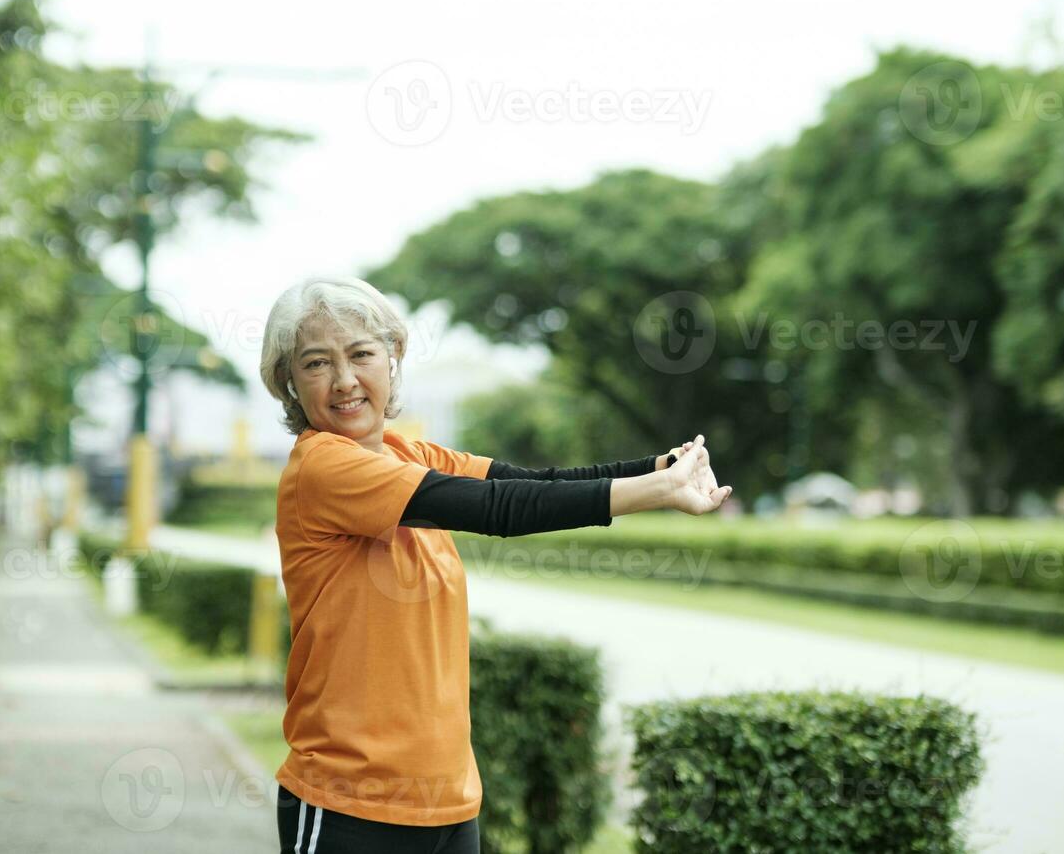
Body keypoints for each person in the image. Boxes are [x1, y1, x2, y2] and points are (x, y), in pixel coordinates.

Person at [258, 275, 731, 854]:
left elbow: (532, 482)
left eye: (361, 354)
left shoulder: (408, 454)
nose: (345, 381)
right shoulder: (323, 468)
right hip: (348, 804)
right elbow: (498, 509)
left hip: (449, 803)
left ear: (393, 357)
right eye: (316, 363)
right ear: (289, 382)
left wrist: (660, 465)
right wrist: (654, 492)